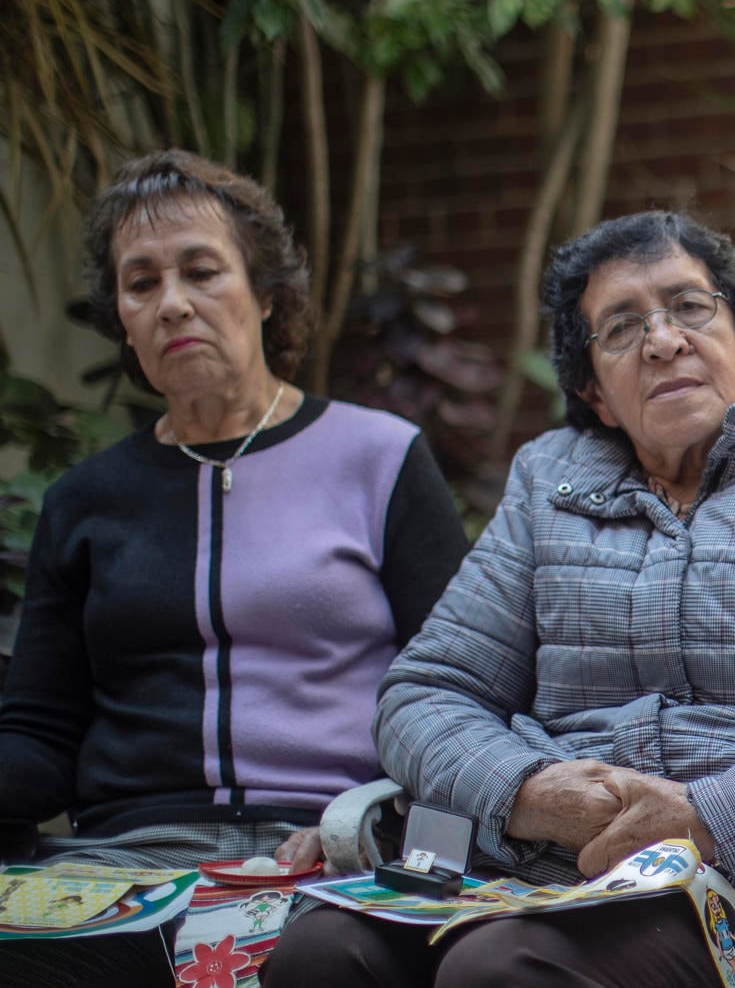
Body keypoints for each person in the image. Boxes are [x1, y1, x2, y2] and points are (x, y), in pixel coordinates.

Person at [268, 210, 735, 988]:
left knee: (503, 972)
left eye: (691, 309)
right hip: (539, 871)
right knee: (320, 955)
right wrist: (526, 791)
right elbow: (426, 693)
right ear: (594, 391)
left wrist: (711, 818)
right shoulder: (546, 482)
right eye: (622, 328)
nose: (663, 341)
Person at [0, 150, 470, 986]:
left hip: (332, 849)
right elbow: (38, 732)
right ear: (122, 319)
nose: (172, 301)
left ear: (264, 293)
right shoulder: (86, 501)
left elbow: (464, 698)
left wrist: (383, 826)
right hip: (124, 863)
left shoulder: (379, 459)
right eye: (140, 284)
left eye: (201, 270)